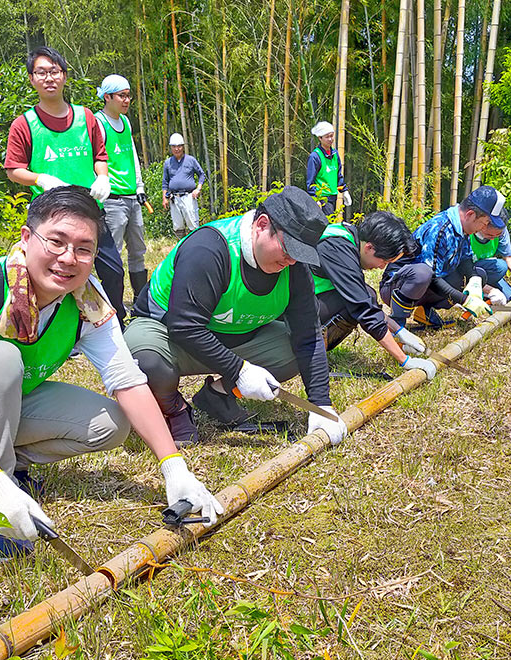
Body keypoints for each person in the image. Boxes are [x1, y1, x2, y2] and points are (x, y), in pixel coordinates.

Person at [0, 187, 223, 562]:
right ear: (27, 238)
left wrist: (173, 467)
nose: (68, 258)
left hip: (4, 400)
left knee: (110, 423)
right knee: (2, 357)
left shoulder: (87, 302)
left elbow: (127, 379)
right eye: (56, 242)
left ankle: (4, 468)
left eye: (83, 248)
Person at [124, 186, 348, 448]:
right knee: (144, 358)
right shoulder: (210, 250)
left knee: (295, 353)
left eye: (300, 255)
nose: (291, 261)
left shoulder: (294, 267)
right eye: (288, 250)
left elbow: (308, 336)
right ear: (262, 225)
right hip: (172, 336)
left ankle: (217, 395)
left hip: (235, 339)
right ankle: (173, 408)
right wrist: (238, 369)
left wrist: (321, 404)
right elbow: (183, 326)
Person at [3, 47, 128, 319]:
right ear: (32, 79)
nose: (49, 78)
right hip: (49, 213)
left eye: (54, 71)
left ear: (64, 76)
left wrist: (103, 177)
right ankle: (58, 327)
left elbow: (100, 155)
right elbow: (14, 170)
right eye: (41, 72)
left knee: (113, 270)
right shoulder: (24, 124)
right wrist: (40, 178)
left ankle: (115, 321)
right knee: (51, 275)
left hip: (89, 209)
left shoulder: (86, 117)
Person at [312, 211, 437, 380]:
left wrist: (399, 331)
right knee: (355, 302)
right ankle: (310, 352)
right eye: (384, 262)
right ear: (369, 247)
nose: (381, 267)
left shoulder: (348, 237)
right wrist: (405, 361)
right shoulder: (337, 248)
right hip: (292, 314)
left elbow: (364, 298)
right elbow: (364, 310)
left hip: (311, 301)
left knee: (367, 293)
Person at [380, 185, 511, 330]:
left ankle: (424, 311)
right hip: (396, 285)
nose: (484, 228)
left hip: (425, 284)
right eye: (485, 223)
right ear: (470, 215)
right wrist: (465, 300)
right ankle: (397, 323)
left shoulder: (463, 229)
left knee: (477, 274)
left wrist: (474, 280)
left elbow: (465, 259)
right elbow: (430, 278)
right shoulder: (440, 229)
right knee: (422, 274)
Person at [93, 74, 150, 307]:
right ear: (107, 97)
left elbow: (132, 156)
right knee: (112, 257)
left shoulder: (125, 122)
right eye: (122, 96)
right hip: (113, 200)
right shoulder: (98, 123)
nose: (126, 100)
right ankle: (113, 307)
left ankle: (140, 302)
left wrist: (139, 186)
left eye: (129, 96)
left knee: (139, 251)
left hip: (132, 198)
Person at [468, 222, 511, 306]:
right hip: (467, 272)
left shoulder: (501, 230)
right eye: (490, 235)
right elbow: (461, 270)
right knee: (501, 266)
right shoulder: (468, 233)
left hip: (487, 271)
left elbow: (509, 257)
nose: (493, 239)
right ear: (483, 225)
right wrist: (489, 290)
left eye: (497, 235)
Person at [162, 133, 206, 238]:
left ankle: (195, 247)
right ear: (171, 148)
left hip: (189, 197)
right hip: (174, 198)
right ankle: (181, 248)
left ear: (183, 146)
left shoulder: (191, 160)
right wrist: (164, 198)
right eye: (174, 146)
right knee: (178, 226)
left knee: (193, 225)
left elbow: (202, 174)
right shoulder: (168, 163)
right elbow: (165, 182)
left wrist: (198, 189)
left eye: (179, 146)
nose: (177, 149)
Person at [305, 122, 351, 216]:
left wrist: (344, 190)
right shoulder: (315, 157)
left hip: (333, 197)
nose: (330, 139)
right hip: (323, 198)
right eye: (327, 137)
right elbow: (310, 182)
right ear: (320, 138)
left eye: (332, 136)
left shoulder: (334, 154)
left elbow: (338, 175)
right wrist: (315, 198)